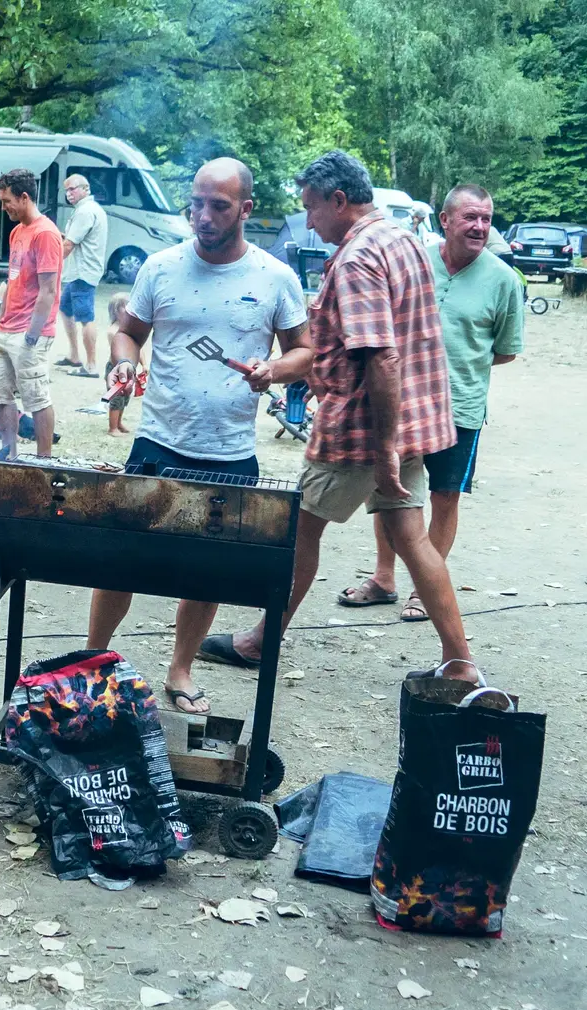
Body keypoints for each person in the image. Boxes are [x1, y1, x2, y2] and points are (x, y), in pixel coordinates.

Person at [198, 150, 476, 682]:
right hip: (408, 423)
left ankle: (261, 641)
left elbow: (382, 356)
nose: (308, 221)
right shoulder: (404, 240)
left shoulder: (356, 259)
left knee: (299, 531)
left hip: (363, 430)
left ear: (339, 200)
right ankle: (460, 664)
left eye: (312, 208)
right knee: (411, 536)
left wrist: (384, 449)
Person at [86, 159, 312, 714]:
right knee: (122, 561)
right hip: (158, 442)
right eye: (197, 203)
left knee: (206, 573)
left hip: (230, 451)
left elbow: (304, 351)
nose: (203, 217)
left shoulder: (274, 276)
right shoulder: (161, 267)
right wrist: (121, 365)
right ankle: (92, 661)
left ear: (246, 209)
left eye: (219, 206)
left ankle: (181, 667)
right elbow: (129, 333)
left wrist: (273, 372)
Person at [338, 184, 524, 621]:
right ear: (445, 220)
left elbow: (506, 350)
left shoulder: (502, 280)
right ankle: (384, 579)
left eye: (486, 219)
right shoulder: (416, 261)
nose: (480, 227)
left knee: (445, 496)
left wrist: (458, 365)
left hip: (461, 407)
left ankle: (425, 588)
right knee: (392, 490)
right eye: (470, 218)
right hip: (403, 401)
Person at [0, 167, 63, 458]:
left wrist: (32, 335)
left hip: (30, 332)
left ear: (24, 197)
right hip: (5, 329)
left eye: (7, 201)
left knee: (36, 398)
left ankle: (44, 461)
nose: (4, 207)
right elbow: (12, 281)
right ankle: (10, 455)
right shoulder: (18, 231)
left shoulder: (45, 234)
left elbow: (48, 290)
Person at [57, 173, 108, 374]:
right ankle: (74, 356)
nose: (69, 194)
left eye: (72, 189)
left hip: (82, 272)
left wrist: (49, 266)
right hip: (79, 271)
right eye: (67, 190)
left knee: (86, 317)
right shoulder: (88, 209)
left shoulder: (85, 211)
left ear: (85, 189)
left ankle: (91, 365)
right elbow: (72, 238)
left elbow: (69, 244)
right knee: (65, 309)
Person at [100, 293, 144, 436]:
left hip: (130, 368)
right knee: (116, 398)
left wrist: (144, 364)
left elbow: (137, 347)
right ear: (115, 310)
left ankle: (119, 423)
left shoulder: (131, 330)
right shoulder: (113, 331)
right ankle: (112, 428)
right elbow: (118, 352)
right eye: (123, 307)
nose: (127, 311)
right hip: (116, 369)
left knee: (125, 397)